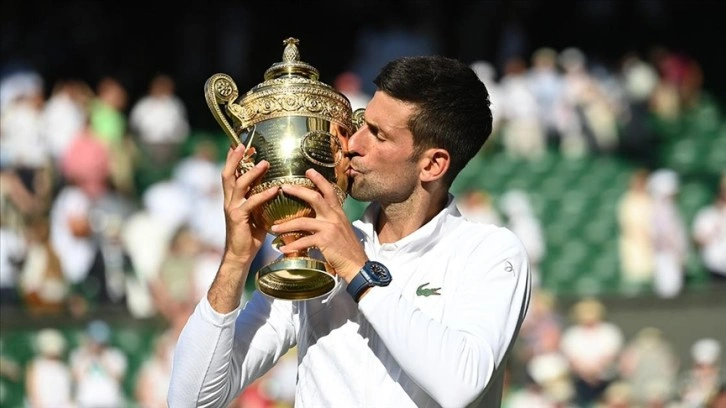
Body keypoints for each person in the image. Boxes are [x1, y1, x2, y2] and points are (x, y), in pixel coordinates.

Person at [168, 55, 532, 407]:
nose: (352, 145)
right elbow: (191, 399)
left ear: (433, 164)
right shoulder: (314, 253)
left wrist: (359, 272)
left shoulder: (491, 252)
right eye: (362, 125)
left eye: (378, 135)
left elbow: (460, 385)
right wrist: (236, 259)